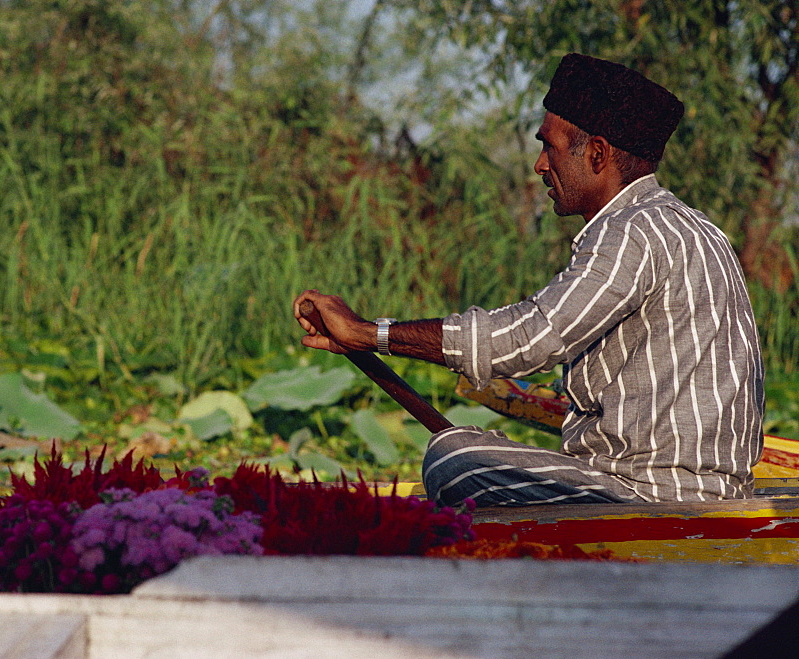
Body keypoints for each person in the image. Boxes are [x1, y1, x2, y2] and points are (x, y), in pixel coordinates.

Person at [293, 53, 765, 508]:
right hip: (699, 486)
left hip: (654, 495)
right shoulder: (693, 225)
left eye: (549, 146)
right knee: (469, 450)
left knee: (454, 458)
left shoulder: (631, 233)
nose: (540, 165)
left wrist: (368, 334)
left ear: (597, 154)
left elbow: (531, 339)